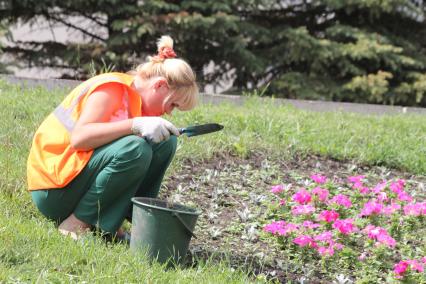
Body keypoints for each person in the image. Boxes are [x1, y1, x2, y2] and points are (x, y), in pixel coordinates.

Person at [27, 35, 198, 240]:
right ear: (160, 85)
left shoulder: (136, 99)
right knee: (136, 148)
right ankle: (75, 224)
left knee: (166, 142)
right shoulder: (112, 89)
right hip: (54, 189)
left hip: (73, 181)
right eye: (172, 104)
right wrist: (135, 125)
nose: (170, 112)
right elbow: (80, 139)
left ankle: (114, 222)